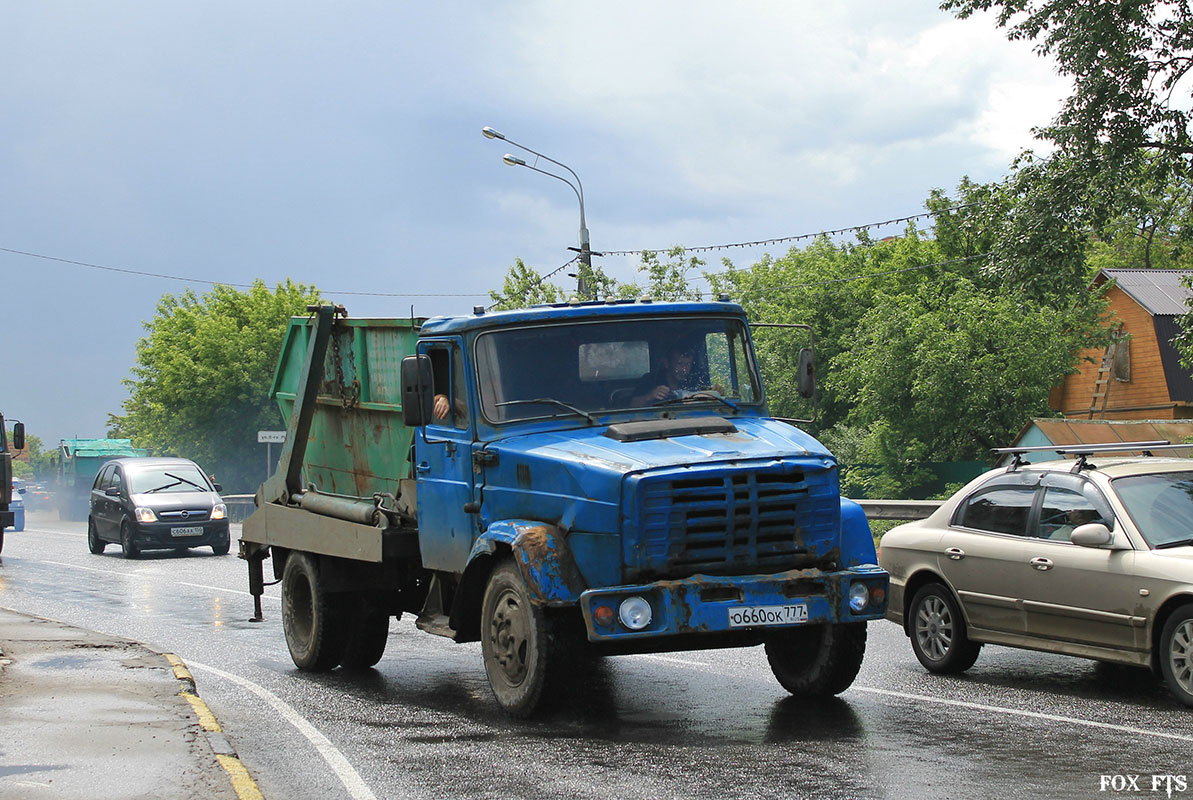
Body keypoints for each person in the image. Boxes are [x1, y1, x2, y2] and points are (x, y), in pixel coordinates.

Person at [630, 344, 701, 406]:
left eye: (687, 364)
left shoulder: (694, 381)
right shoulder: (651, 380)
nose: (684, 369)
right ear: (667, 363)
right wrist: (650, 396)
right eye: (679, 364)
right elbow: (633, 405)